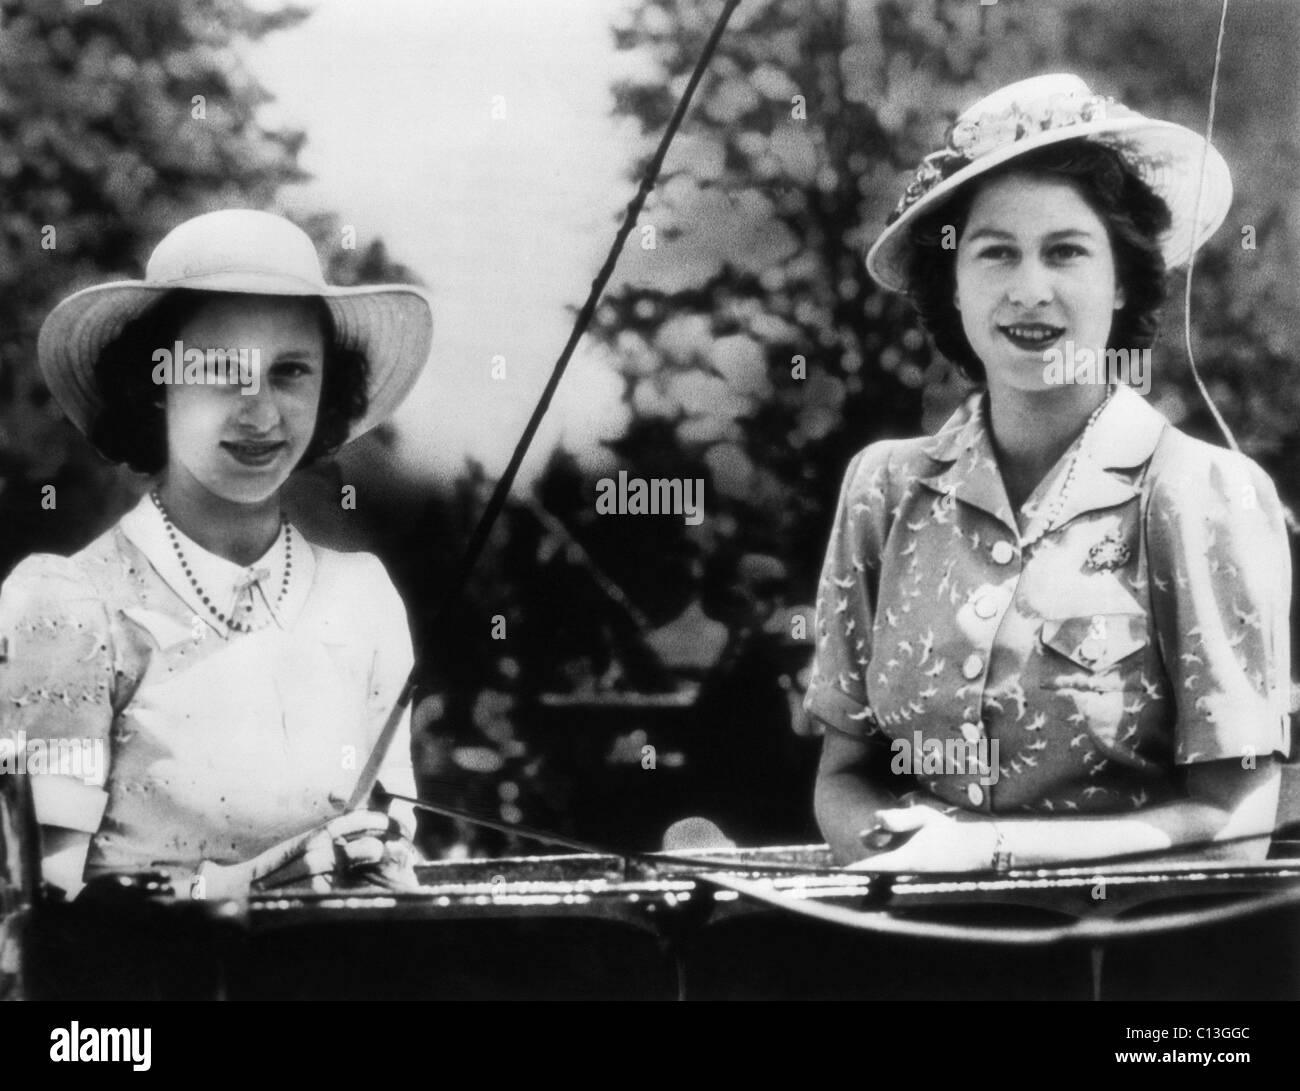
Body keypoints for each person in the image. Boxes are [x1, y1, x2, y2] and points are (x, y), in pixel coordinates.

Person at [805, 74, 1292, 871]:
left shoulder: (1198, 491)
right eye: (995, 253)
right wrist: (893, 856)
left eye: (1066, 251)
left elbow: (1236, 818)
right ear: (952, 284)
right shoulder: (883, 491)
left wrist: (987, 850)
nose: (1030, 290)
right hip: (910, 954)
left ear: (1124, 277)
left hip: (1129, 957)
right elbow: (844, 777)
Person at [0, 209, 434, 899]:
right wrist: (242, 891)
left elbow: (393, 871)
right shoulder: (67, 605)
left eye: (290, 371)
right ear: (155, 384)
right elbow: (37, 910)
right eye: (219, 369)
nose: (259, 412)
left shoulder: (363, 598)